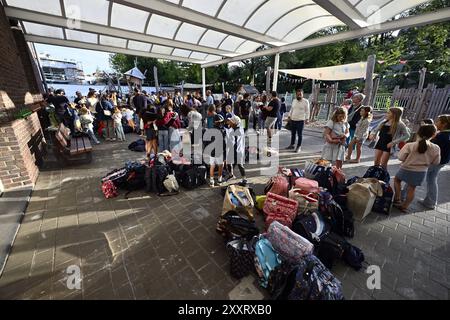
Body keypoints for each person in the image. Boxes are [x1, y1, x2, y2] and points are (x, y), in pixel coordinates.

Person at [393, 124, 441, 212]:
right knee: (412, 189)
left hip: (405, 169)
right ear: (434, 135)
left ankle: (397, 198)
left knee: (397, 180)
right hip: (421, 172)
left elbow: (400, 157)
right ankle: (405, 206)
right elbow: (436, 162)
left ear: (418, 133)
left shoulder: (410, 145)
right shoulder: (436, 148)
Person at [419, 115, 450, 209]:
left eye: (438, 121)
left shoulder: (442, 136)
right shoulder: (445, 134)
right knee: (431, 179)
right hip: (442, 161)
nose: (436, 123)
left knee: (431, 180)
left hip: (436, 161)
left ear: (444, 124)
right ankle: (430, 201)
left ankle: (431, 202)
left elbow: (431, 146)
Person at [205, 105, 225, 186]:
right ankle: (219, 179)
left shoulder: (209, 118)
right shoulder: (218, 118)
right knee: (220, 163)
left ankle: (212, 180)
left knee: (212, 163)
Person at [225, 115, 247, 185]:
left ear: (234, 123)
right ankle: (231, 175)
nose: (229, 122)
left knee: (240, 165)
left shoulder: (237, 130)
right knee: (231, 162)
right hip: (236, 149)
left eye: (231, 121)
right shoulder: (236, 127)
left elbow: (233, 142)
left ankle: (244, 179)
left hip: (237, 150)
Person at [287, 88, 310, 153]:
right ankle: (292, 145)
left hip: (301, 120)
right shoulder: (294, 100)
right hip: (293, 119)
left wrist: (307, 118)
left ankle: (299, 146)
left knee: (299, 134)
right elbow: (292, 109)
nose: (299, 96)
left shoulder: (306, 101)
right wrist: (289, 116)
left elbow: (307, 111)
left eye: (300, 94)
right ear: (296, 95)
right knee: (293, 133)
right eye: (297, 94)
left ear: (302, 94)